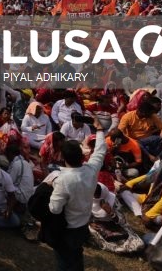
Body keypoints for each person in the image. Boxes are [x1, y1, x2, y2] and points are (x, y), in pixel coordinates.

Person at [48, 115, 106, 271]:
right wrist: (99, 129)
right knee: (76, 256)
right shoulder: (92, 170)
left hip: (67, 229)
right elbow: (100, 150)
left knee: (64, 262)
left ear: (63, 157)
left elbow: (54, 209)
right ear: (82, 156)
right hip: (82, 226)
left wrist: (50, 186)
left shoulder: (63, 180)